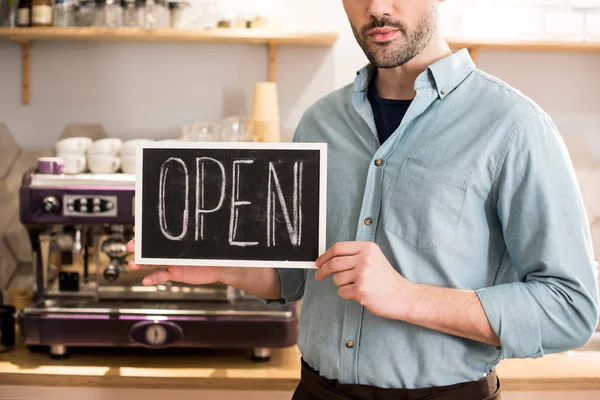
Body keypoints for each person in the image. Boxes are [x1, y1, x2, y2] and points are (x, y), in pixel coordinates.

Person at [128, 1, 600, 399]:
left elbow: (570, 309)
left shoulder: (514, 126)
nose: (376, 7)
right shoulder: (318, 122)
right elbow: (300, 273)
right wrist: (223, 267)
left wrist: (407, 297)